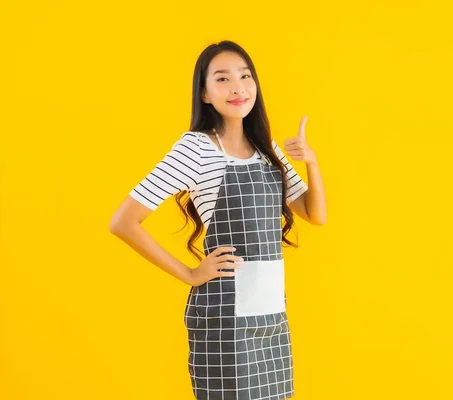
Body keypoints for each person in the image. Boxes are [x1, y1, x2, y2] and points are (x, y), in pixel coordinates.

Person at [109, 40, 327, 400]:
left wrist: (313, 163)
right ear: (205, 94)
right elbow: (123, 222)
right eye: (223, 79)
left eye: (245, 76)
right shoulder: (195, 148)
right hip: (224, 319)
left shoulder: (266, 149)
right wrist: (191, 274)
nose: (238, 87)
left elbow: (314, 214)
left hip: (271, 315)